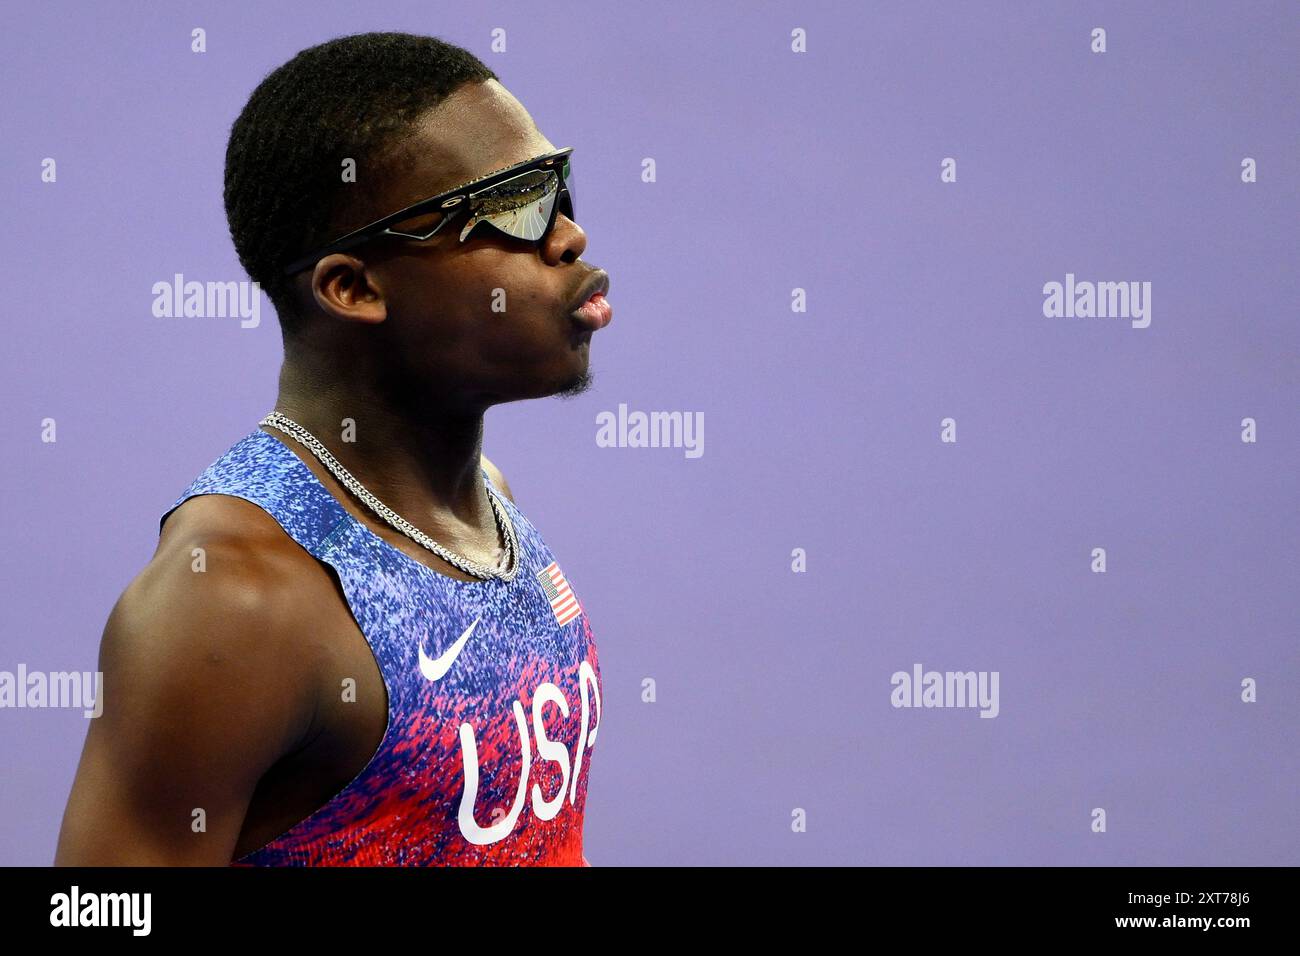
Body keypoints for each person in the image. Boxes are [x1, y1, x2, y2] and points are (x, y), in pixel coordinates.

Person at [54, 31, 609, 866]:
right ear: (352, 287)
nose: (567, 236)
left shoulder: (486, 504)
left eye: (557, 188)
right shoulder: (237, 601)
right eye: (516, 204)